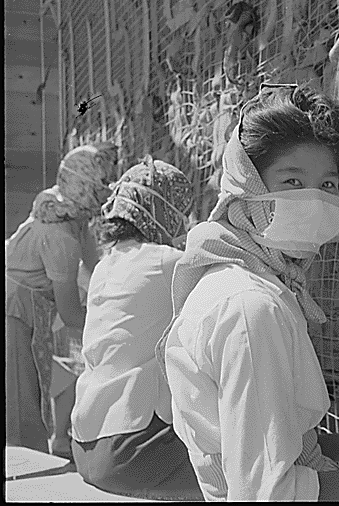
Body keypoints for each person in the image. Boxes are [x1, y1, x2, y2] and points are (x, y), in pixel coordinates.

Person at [156, 84, 339, 501]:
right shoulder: (251, 308)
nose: (313, 199)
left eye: (328, 184)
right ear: (248, 185)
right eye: (292, 180)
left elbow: (242, 442)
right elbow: (264, 493)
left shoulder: (242, 283)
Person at [70, 155, 203, 501]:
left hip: (84, 446)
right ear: (166, 210)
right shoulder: (168, 262)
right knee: (248, 470)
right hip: (134, 450)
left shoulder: (104, 265)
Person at [5, 142, 118, 455]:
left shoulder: (71, 216)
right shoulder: (60, 236)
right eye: (104, 185)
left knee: (56, 368)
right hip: (16, 306)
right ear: (86, 189)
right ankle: (27, 465)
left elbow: (94, 264)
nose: (108, 192)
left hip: (38, 299)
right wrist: (109, 329)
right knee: (22, 391)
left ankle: (55, 440)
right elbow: (70, 314)